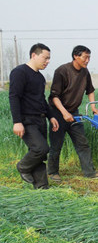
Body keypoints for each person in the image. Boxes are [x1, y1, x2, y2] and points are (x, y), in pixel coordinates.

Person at [47, 45, 98, 181]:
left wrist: (93, 107)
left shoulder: (85, 72)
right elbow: (54, 96)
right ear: (76, 56)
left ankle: (89, 172)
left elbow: (90, 90)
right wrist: (64, 113)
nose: (87, 60)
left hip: (75, 113)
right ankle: (52, 172)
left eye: (89, 57)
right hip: (58, 113)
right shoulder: (62, 71)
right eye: (85, 57)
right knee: (56, 144)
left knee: (82, 143)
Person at [9, 43, 59, 189]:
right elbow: (14, 97)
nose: (47, 61)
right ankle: (23, 167)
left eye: (49, 59)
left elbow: (42, 99)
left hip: (40, 118)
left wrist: (51, 116)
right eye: (45, 58)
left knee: (41, 155)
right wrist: (17, 122)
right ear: (34, 55)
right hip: (27, 120)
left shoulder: (40, 77)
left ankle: (42, 186)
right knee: (41, 148)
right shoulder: (19, 72)